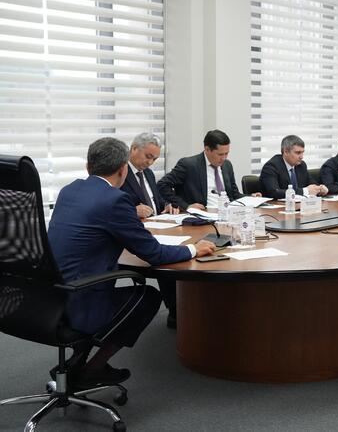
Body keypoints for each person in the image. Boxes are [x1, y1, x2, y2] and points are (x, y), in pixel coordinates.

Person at [48, 138, 215, 387]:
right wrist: (194, 248)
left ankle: (76, 363)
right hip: (80, 299)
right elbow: (154, 254)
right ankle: (92, 369)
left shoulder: (69, 190)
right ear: (123, 169)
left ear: (88, 166)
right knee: (147, 297)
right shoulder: (114, 200)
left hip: (47, 297)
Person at [119, 132, 181, 329]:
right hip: (136, 234)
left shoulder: (148, 174)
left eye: (154, 159)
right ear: (134, 149)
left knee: (178, 253)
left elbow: (156, 201)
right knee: (167, 260)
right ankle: (176, 310)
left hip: (161, 227)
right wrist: (133, 210)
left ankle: (181, 307)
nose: (151, 162)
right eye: (148, 156)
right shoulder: (120, 173)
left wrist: (167, 206)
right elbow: (112, 204)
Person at [157, 129, 253, 211]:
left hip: (230, 213)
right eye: (220, 154)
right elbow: (162, 185)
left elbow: (234, 195)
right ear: (207, 149)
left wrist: (251, 198)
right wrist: (185, 206)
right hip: (205, 215)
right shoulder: (189, 165)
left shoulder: (227, 165)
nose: (224, 158)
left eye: (226, 153)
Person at [259, 135, 328, 199]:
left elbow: (311, 183)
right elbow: (274, 192)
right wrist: (304, 191)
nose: (301, 157)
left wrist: (320, 188)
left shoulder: (301, 165)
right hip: (276, 207)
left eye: (302, 152)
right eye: (298, 153)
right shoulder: (271, 166)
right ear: (286, 152)